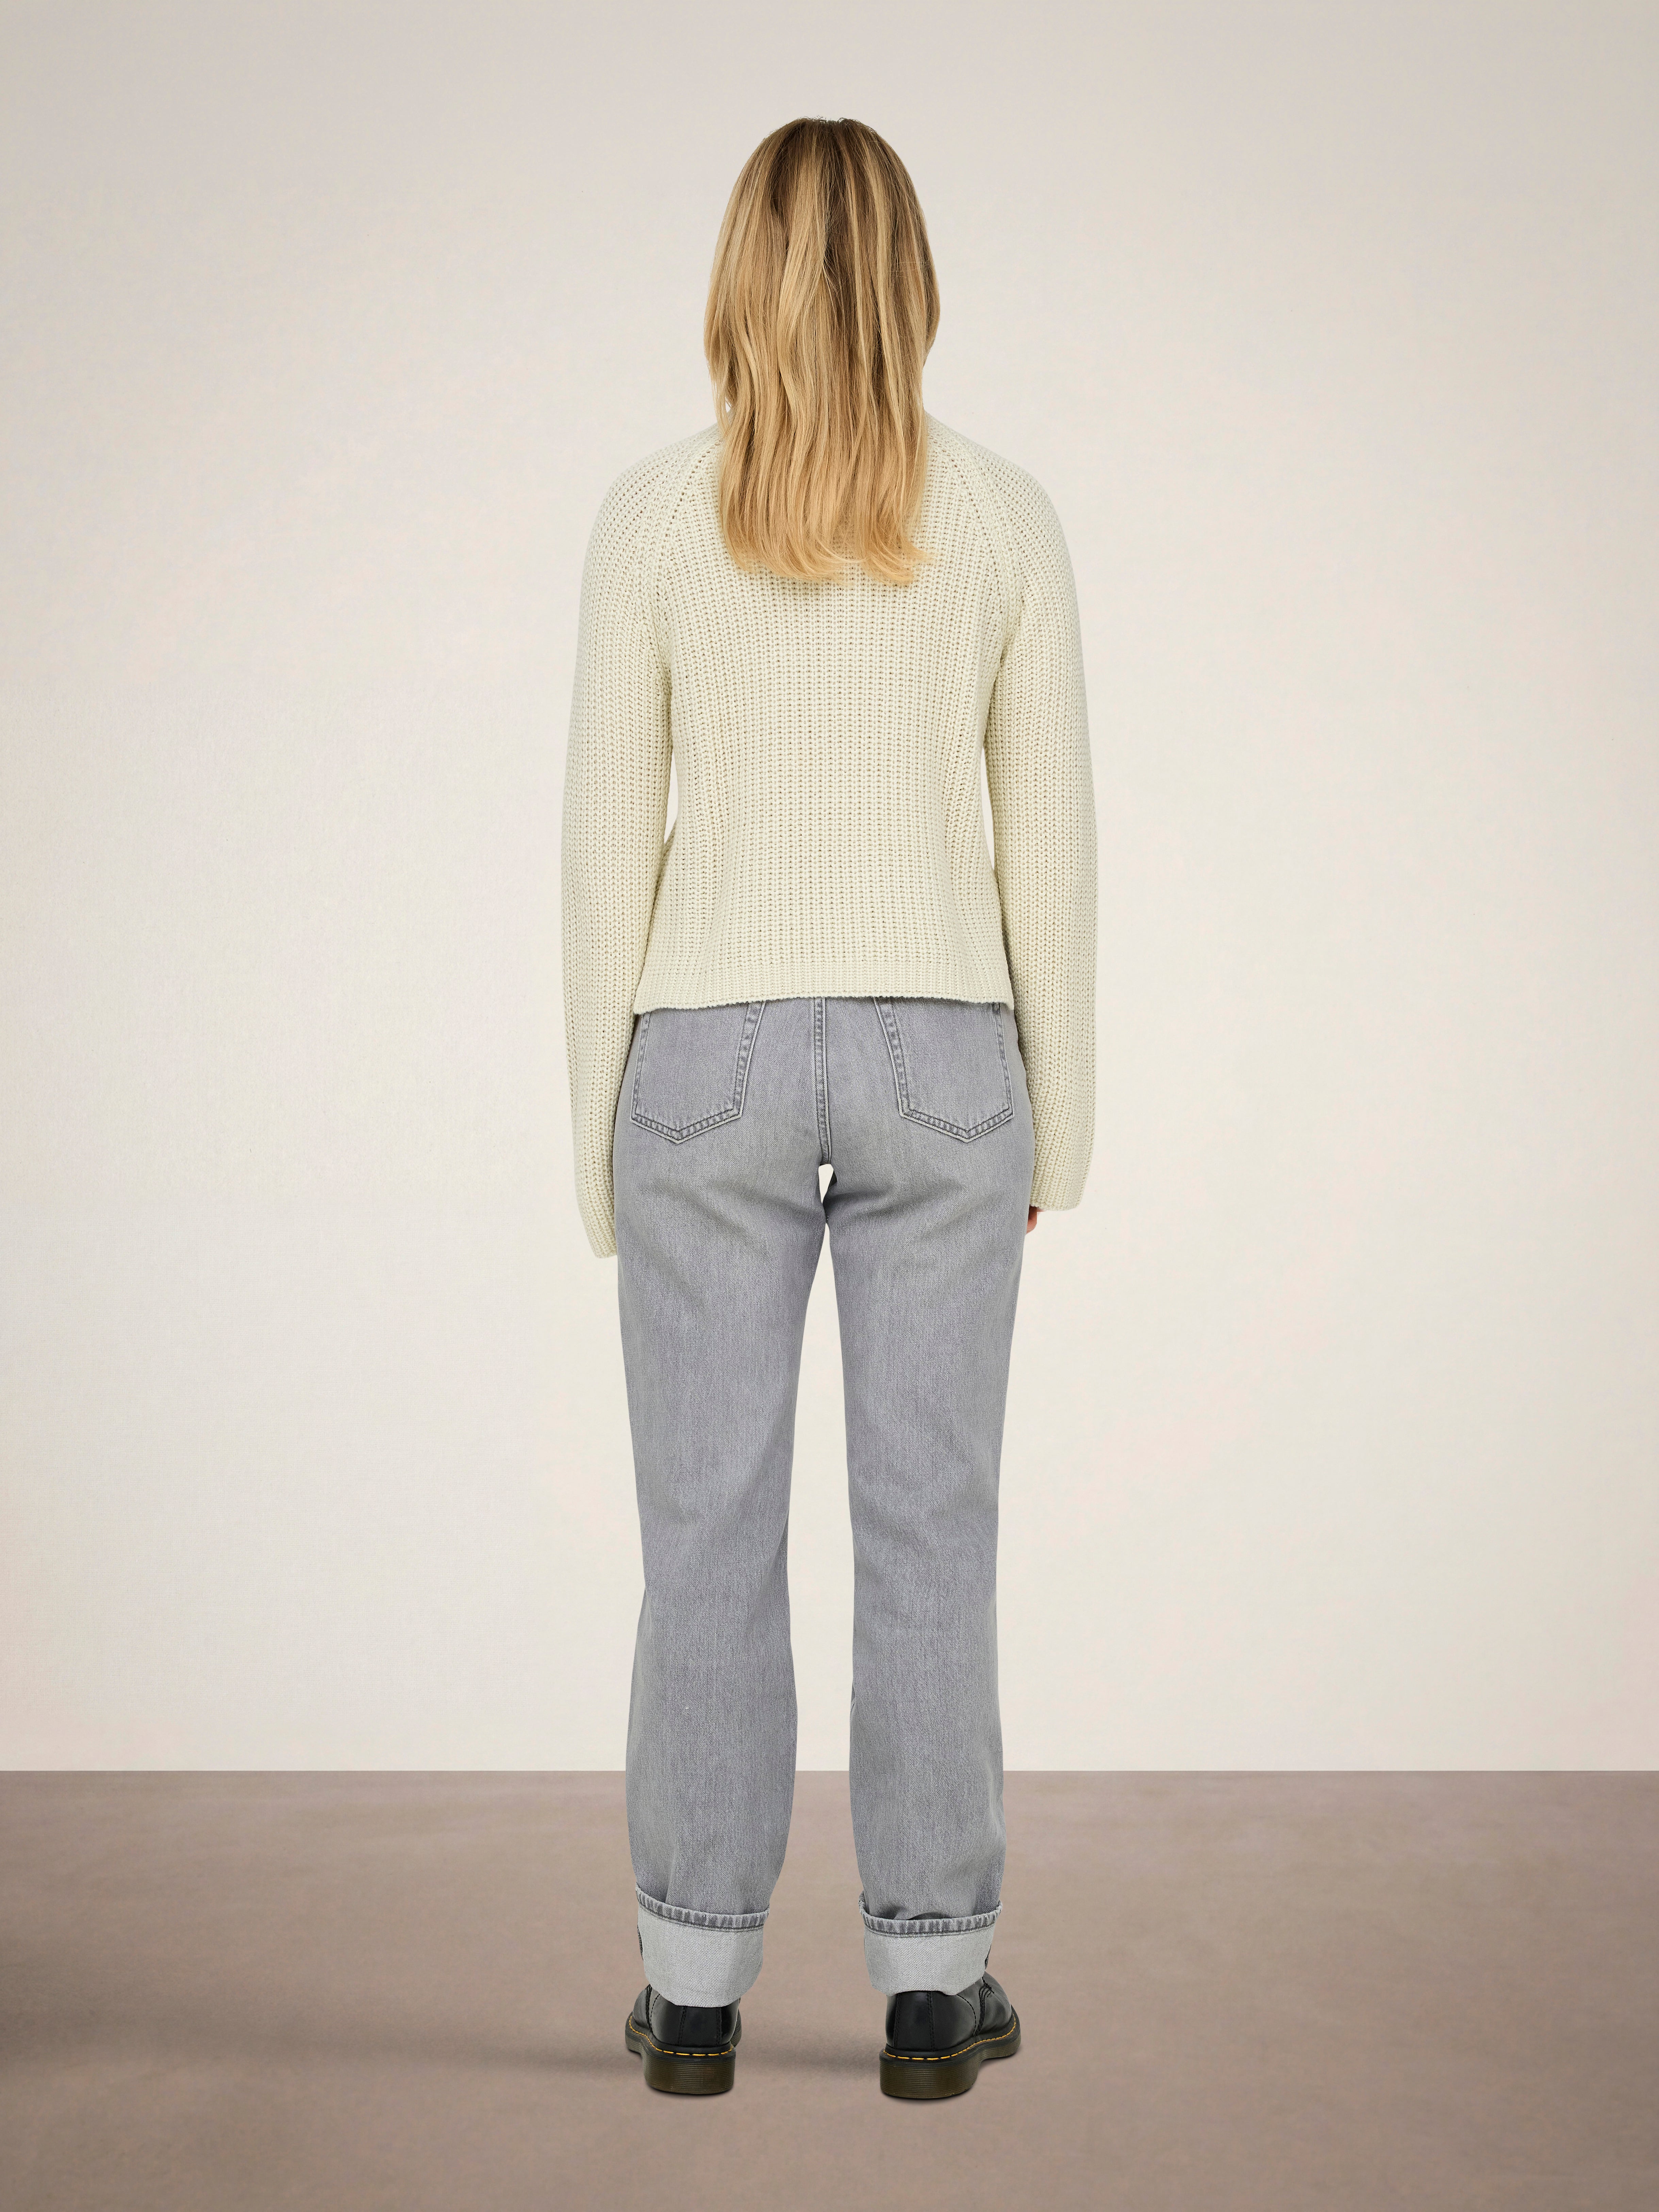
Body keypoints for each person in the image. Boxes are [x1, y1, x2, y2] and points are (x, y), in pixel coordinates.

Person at [560, 115, 1096, 2100]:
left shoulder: (648, 519)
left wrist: (596, 1139)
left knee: (702, 1527)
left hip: (697, 1052)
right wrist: (1060, 1123)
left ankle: (694, 1993)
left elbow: (604, 847)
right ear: (912, 284)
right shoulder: (1007, 518)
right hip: (944, 1052)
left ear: (739, 280)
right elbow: (1053, 845)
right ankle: (936, 1993)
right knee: (930, 1523)